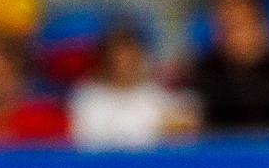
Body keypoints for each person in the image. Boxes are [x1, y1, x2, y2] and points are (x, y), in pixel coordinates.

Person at [189, 0, 269, 133]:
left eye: (239, 5)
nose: (230, 14)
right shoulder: (199, 75)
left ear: (260, 12)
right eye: (221, 7)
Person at [68, 19, 196, 149]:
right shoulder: (88, 97)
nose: (124, 62)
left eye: (130, 54)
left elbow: (185, 125)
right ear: (106, 58)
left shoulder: (156, 95)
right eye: (118, 55)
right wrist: (152, 128)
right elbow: (85, 140)